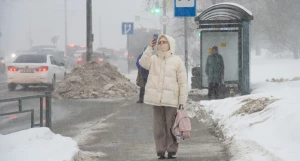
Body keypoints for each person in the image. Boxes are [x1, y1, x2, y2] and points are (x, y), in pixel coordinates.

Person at [139, 34, 188, 159]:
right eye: (159, 43)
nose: (161, 45)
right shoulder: (154, 59)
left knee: (171, 127)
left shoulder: (177, 61)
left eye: (164, 42)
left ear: (170, 44)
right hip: (156, 100)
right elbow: (142, 62)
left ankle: (172, 150)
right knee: (158, 128)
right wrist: (149, 47)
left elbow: (183, 83)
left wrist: (182, 101)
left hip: (171, 100)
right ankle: (160, 150)